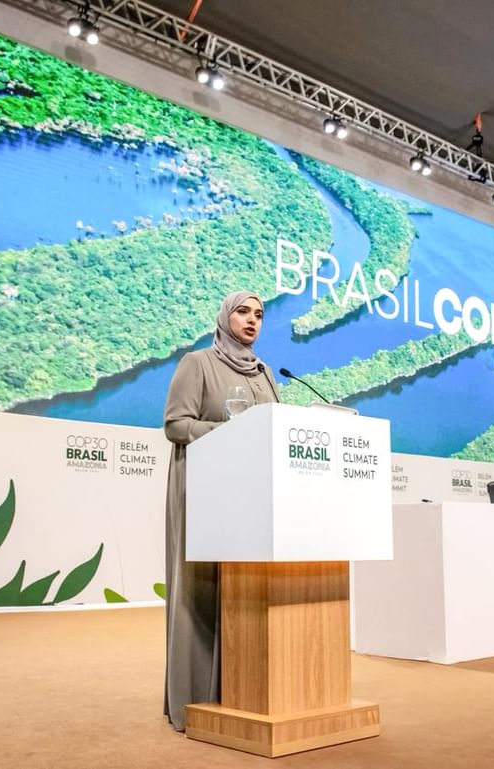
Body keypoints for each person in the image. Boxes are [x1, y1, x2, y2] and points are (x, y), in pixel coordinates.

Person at [161, 290, 280, 732]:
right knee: (202, 588)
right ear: (225, 316)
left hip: (252, 495)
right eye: (243, 312)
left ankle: (244, 690)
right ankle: (194, 699)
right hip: (204, 491)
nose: (252, 320)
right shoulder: (198, 363)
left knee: (247, 590)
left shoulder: (266, 373)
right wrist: (228, 432)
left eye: (259, 314)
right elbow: (175, 425)